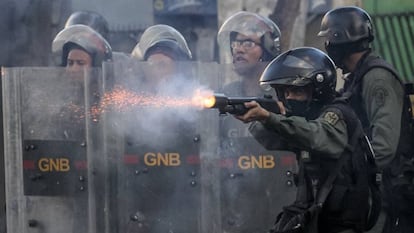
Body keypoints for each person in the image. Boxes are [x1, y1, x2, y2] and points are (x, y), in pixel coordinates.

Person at [236, 47, 375, 233]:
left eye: (296, 91)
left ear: (318, 89)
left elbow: (316, 136)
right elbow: (275, 140)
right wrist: (252, 115)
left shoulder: (337, 115)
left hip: (343, 224)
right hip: (319, 219)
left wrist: (268, 117)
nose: (289, 98)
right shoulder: (308, 119)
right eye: (285, 93)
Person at [317, 6, 414, 233]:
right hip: (377, 188)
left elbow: (384, 147)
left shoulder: (376, 78)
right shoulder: (357, 78)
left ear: (339, 41)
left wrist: (350, 173)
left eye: (329, 40)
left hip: (392, 193)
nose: (327, 46)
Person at [217, 11, 281, 96]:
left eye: (248, 44)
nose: (238, 50)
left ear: (266, 52)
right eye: (234, 45)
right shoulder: (228, 92)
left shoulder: (280, 92)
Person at [130, 24, 192, 92]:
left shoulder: (193, 97)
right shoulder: (129, 98)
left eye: (162, 65)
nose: (155, 72)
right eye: (151, 65)